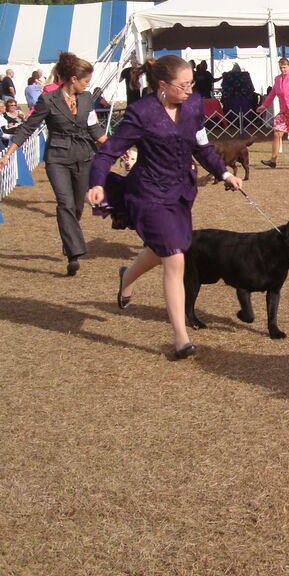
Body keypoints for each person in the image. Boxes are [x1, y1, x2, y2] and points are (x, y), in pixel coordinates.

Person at [86, 55, 243, 359]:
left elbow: (202, 146)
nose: (189, 90)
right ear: (162, 85)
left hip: (181, 192)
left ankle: (127, 278)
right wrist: (97, 183)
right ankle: (181, 338)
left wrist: (224, 173)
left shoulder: (194, 105)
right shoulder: (141, 113)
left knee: (164, 250)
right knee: (174, 256)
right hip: (149, 194)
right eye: (182, 85)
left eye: (191, 84)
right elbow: (108, 153)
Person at [0, 52, 109, 276]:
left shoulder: (87, 99)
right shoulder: (49, 100)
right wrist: (8, 153)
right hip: (58, 158)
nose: (88, 84)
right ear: (73, 79)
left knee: (78, 206)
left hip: (84, 156)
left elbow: (94, 128)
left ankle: (68, 238)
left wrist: (115, 148)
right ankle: (74, 254)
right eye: (86, 80)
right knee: (65, 203)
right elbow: (28, 127)